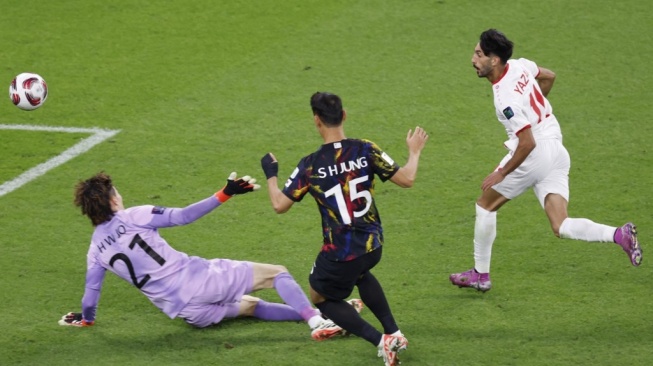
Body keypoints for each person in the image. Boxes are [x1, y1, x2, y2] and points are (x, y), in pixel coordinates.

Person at [449, 29, 643, 292]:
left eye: (479, 54)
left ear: (494, 60)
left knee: (485, 205)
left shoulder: (504, 99)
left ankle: (480, 275)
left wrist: (502, 173)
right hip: (557, 147)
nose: (473, 59)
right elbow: (549, 76)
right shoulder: (520, 66)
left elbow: (527, 143)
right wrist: (531, 109)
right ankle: (619, 234)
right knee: (560, 225)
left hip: (535, 152)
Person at [58, 171, 351, 340]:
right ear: (112, 200)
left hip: (188, 312)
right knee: (276, 273)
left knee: (250, 306)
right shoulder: (134, 216)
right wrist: (225, 193)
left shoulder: (95, 249)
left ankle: (332, 317)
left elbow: (91, 294)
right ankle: (316, 320)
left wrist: (86, 319)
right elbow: (183, 216)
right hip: (199, 281)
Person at [260, 92, 429, 366]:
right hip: (373, 245)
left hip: (340, 253)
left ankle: (381, 341)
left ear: (317, 121)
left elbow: (280, 205)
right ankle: (395, 332)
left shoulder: (311, 165)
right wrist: (414, 150)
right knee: (360, 273)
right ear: (344, 115)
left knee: (320, 297)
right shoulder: (365, 148)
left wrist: (271, 174)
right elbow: (407, 179)